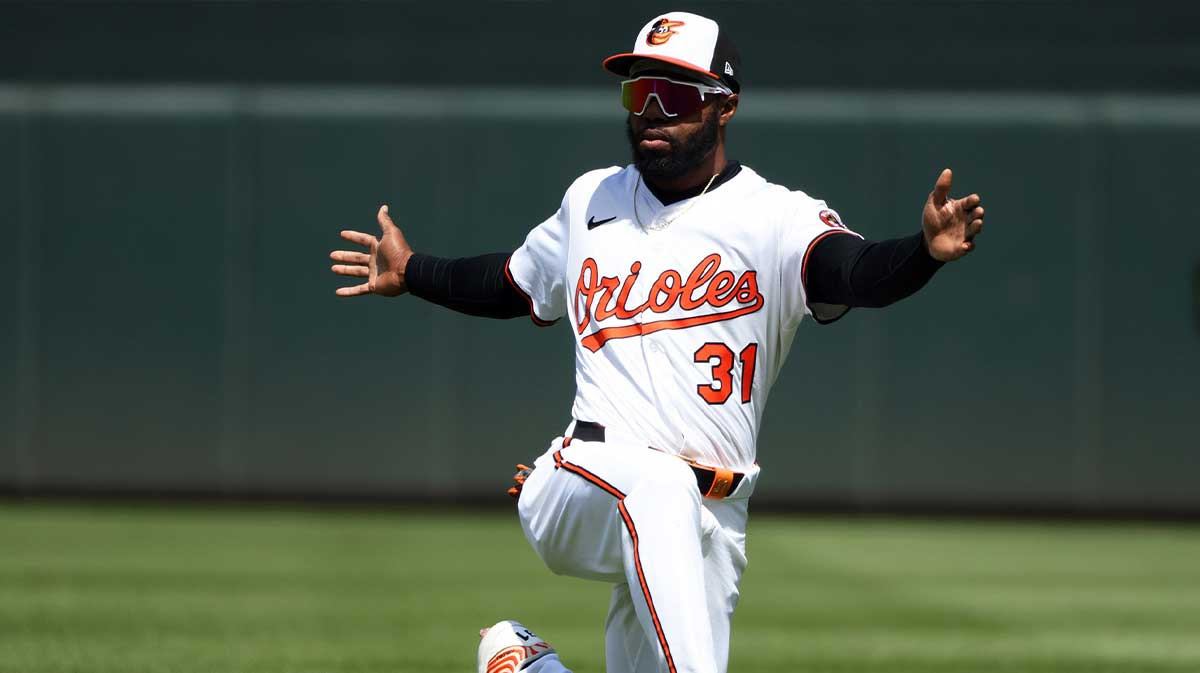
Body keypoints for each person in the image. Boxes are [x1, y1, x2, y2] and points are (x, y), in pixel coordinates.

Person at [330, 11, 985, 673]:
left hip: (714, 515)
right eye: (636, 94)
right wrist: (413, 271)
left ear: (724, 106)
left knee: (670, 524)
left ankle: (524, 662)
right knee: (663, 486)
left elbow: (854, 269)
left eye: (671, 96)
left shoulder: (772, 216)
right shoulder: (593, 198)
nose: (649, 113)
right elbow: (511, 282)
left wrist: (922, 254)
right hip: (583, 480)